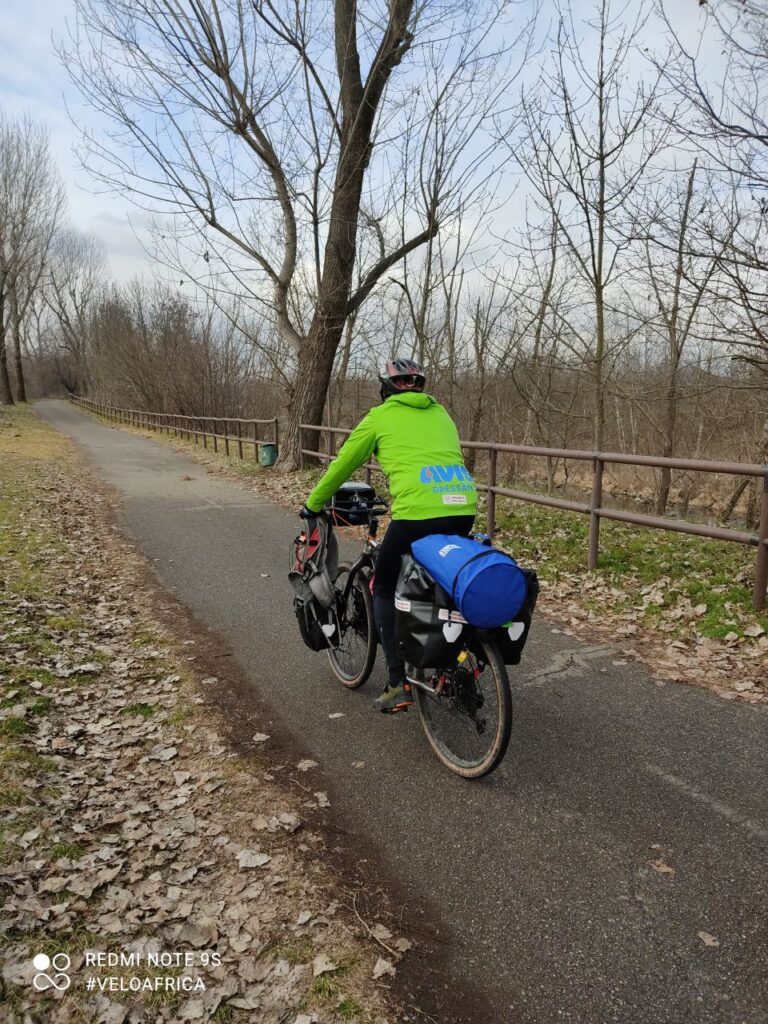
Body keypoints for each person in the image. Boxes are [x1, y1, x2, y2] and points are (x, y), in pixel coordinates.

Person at [300, 357, 477, 712]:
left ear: (386, 389)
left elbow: (343, 464)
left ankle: (397, 682)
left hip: (417, 512)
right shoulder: (441, 414)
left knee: (383, 584)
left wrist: (313, 503)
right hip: (464, 508)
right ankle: (457, 656)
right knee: (440, 578)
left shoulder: (380, 417)